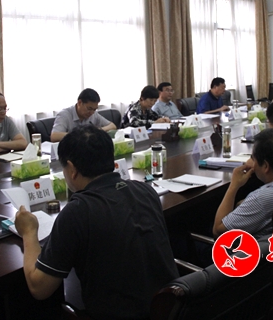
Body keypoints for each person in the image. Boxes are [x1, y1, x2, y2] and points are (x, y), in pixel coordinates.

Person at [14, 125, 178, 319]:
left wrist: (29, 232)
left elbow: (39, 288)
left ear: (72, 169)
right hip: (170, 308)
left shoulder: (77, 211)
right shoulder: (145, 191)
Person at [213, 128, 273, 240]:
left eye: (253, 159)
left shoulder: (260, 199)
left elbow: (218, 231)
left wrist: (233, 186)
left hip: (249, 249)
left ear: (265, 166)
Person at [50, 88, 116, 142]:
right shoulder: (64, 115)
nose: (92, 112)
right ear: (79, 103)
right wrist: (81, 135)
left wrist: (98, 131)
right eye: (89, 108)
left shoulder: (93, 114)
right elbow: (54, 136)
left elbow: (112, 126)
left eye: (94, 109)